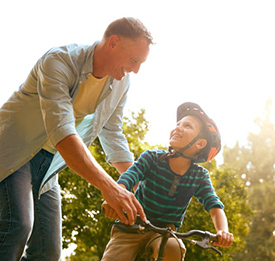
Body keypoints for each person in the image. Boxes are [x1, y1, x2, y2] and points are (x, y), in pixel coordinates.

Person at [0, 17, 153, 260]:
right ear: (113, 42)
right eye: (134, 61)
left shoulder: (120, 82)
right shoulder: (58, 61)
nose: (135, 70)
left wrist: (141, 189)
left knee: (47, 252)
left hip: (49, 165)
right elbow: (62, 133)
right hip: (14, 151)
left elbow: (112, 133)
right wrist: (110, 188)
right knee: (17, 227)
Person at [101, 102, 234, 261]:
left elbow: (214, 206)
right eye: (177, 124)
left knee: (173, 247)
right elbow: (129, 176)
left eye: (187, 126)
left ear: (200, 144)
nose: (178, 127)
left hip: (164, 232)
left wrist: (223, 231)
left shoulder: (199, 176)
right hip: (131, 226)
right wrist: (114, 196)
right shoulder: (152, 158)